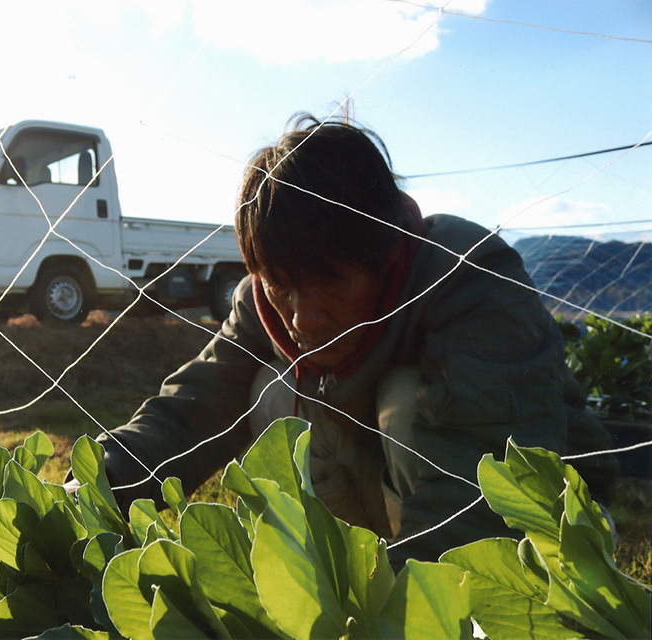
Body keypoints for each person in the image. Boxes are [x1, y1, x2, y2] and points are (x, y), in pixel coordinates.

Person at [86, 113, 619, 567]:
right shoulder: (261, 302)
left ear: (385, 252)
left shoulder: (467, 276)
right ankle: (346, 569)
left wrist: (404, 606)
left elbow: (488, 470)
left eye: (333, 282)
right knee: (268, 393)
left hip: (546, 523)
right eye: (282, 285)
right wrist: (97, 484)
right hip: (391, 494)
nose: (304, 317)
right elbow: (192, 408)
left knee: (404, 402)